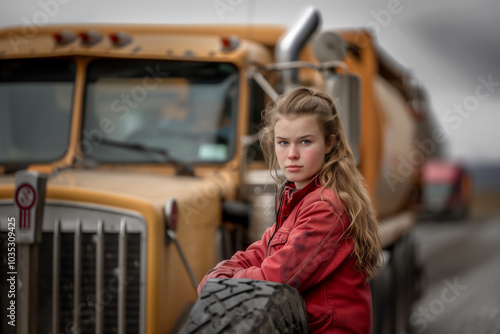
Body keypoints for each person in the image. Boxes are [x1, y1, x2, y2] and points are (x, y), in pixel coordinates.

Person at [197, 87, 382, 333]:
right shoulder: (298, 200)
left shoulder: (324, 207)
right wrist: (220, 275)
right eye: (283, 142)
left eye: (305, 142)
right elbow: (260, 252)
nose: (292, 154)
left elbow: (276, 278)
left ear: (330, 143)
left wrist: (221, 284)